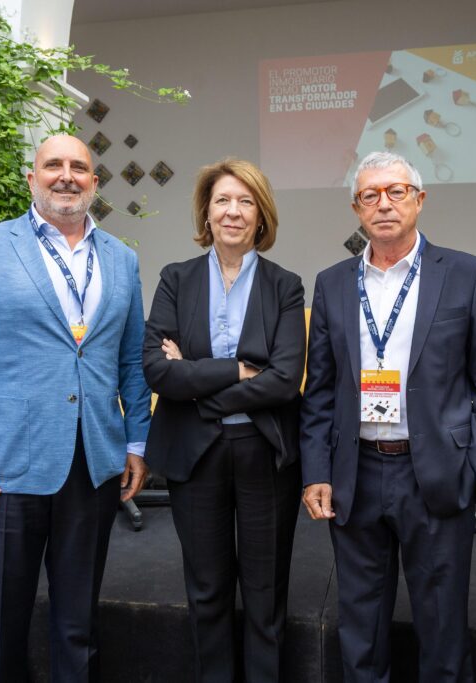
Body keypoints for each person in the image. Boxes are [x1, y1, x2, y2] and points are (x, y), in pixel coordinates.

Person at [0, 134, 151, 683]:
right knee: (1, 630)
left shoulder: (121, 259)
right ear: (32, 178)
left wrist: (136, 440)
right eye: (53, 165)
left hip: (93, 464)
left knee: (79, 626)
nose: (66, 176)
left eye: (79, 167)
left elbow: (131, 360)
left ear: (94, 182)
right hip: (3, 469)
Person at [300, 151, 476, 683]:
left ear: (419, 199)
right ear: (357, 208)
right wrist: (317, 471)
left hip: (435, 471)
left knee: (443, 626)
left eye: (396, 191)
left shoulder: (467, 274)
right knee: (360, 627)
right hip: (356, 473)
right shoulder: (332, 282)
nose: (384, 204)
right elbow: (320, 389)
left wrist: (475, 468)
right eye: (370, 195)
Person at [142, 158, 306, 683]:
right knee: (207, 590)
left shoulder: (285, 286)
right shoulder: (176, 279)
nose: (233, 211)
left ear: (261, 215)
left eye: (245, 201)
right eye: (222, 201)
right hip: (195, 454)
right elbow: (157, 371)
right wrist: (237, 369)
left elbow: (284, 380)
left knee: (265, 593)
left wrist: (199, 386)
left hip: (264, 453)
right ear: (206, 213)